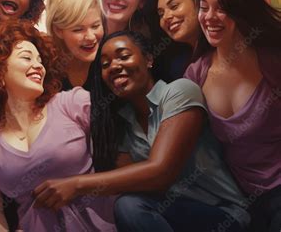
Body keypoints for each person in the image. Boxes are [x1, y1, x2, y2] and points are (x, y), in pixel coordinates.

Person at [33, 31, 249, 232]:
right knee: (127, 204)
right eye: (105, 64)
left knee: (130, 207)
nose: (114, 66)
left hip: (223, 214)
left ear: (148, 59)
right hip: (166, 218)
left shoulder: (179, 91)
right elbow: (131, 183)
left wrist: (76, 185)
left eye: (123, 56)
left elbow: (161, 172)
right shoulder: (123, 124)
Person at [0, 19, 115, 231]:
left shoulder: (72, 103)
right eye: (27, 57)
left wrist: (78, 186)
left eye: (40, 60)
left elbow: (123, 166)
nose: (38, 65)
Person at [185, 0, 281, 231]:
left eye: (221, 8)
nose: (209, 17)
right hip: (235, 201)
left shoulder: (272, 62)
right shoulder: (196, 74)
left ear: (241, 11)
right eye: (203, 8)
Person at [45, 0, 104, 91]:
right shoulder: (45, 68)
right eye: (78, 30)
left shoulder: (111, 62)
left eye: (95, 26)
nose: (90, 37)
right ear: (58, 31)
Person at [149, 0, 204, 82]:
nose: (166, 17)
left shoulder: (225, 53)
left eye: (174, 6)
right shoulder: (178, 66)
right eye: (161, 14)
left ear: (198, 1)